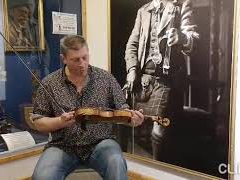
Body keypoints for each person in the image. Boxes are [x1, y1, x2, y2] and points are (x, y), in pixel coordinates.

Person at [31, 35, 144, 180]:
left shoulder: (106, 79)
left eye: (85, 57)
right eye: (76, 59)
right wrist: (59, 121)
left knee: (116, 162)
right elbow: (38, 122)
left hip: (100, 143)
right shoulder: (49, 83)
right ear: (63, 58)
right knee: (42, 176)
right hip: (62, 146)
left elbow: (122, 109)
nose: (82, 64)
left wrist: (133, 120)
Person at [124, 0, 199, 161]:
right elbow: (132, 44)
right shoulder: (143, 11)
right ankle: (140, 167)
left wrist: (182, 38)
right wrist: (131, 70)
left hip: (166, 80)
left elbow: (195, 40)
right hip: (143, 79)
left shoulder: (182, 6)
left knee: (159, 130)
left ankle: (159, 168)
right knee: (134, 126)